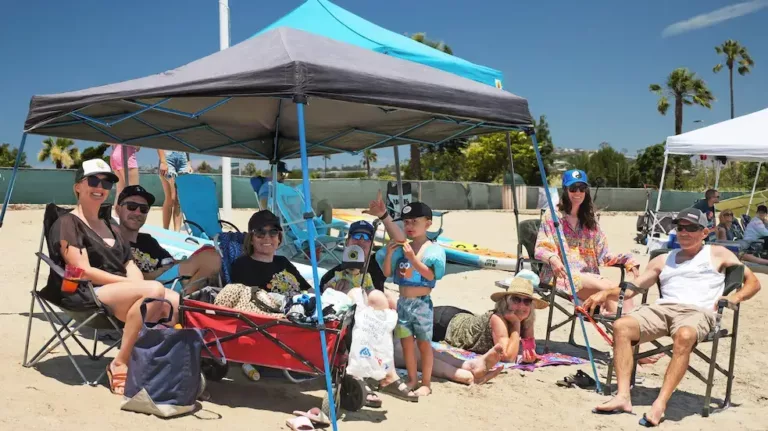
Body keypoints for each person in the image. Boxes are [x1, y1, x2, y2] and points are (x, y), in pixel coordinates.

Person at [585, 208, 761, 427]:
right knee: (622, 326)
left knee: (685, 335)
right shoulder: (663, 258)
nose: (684, 233)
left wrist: (735, 297)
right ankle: (622, 397)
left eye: (691, 228)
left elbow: (753, 282)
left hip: (698, 312)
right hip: (662, 310)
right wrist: (606, 292)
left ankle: (660, 403)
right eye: (680, 228)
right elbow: (633, 288)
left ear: (704, 232)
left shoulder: (718, 253)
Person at [46, 159, 179, 395]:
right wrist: (136, 285)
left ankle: (150, 362)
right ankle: (120, 363)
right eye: (94, 180)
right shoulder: (67, 223)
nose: (101, 186)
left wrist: (137, 283)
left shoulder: (110, 224)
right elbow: (83, 270)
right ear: (78, 186)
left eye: (106, 182)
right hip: (85, 292)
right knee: (155, 291)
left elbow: (127, 262)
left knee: (175, 300)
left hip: (118, 292)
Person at [394, 275, 546, 386]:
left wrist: (530, 355)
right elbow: (508, 357)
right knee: (402, 321)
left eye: (526, 301)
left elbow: (529, 349)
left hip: (463, 318)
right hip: (446, 324)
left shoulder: (528, 318)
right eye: (516, 299)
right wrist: (516, 326)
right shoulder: (498, 318)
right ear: (506, 301)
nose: (521, 306)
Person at [370, 193, 447, 397]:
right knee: (406, 344)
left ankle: (427, 383)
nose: (410, 225)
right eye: (406, 222)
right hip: (403, 303)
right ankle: (412, 379)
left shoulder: (432, 250)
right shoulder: (402, 248)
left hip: (421, 304)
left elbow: (431, 275)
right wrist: (388, 254)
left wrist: (413, 259)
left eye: (415, 221)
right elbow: (387, 273)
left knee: (423, 344)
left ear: (428, 224)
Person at [535, 169, 640, 314]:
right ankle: (623, 328)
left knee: (623, 292)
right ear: (565, 190)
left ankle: (627, 328)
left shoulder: (590, 220)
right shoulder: (552, 216)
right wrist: (553, 259)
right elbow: (541, 248)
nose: (577, 193)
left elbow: (604, 254)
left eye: (582, 188)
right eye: (573, 188)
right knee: (610, 291)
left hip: (590, 276)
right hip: (561, 276)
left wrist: (627, 259)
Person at [115, 185, 222, 294]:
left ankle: (188, 298)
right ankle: (186, 302)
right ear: (118, 209)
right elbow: (119, 277)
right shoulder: (113, 241)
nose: (138, 213)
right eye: (131, 207)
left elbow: (170, 261)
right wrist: (156, 274)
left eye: (143, 209)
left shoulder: (148, 241)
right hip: (148, 289)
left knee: (210, 252)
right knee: (211, 258)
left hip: (166, 282)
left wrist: (194, 257)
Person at [230, 209, 312, 295]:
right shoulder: (242, 265)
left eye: (273, 232)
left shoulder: (283, 262)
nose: (267, 237)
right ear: (251, 239)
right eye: (260, 232)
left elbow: (308, 289)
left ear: (279, 238)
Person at [319, 220, 397, 307]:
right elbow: (324, 295)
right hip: (348, 313)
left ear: (372, 245)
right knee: (355, 293)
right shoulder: (333, 275)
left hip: (374, 311)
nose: (361, 240)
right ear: (347, 242)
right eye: (357, 236)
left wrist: (384, 216)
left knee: (390, 298)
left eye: (366, 237)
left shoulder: (378, 263)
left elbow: (398, 242)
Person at [158, 150, 192, 231]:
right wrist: (163, 161)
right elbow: (159, 141)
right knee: (171, 198)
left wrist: (189, 163)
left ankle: (177, 232)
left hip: (183, 158)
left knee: (178, 199)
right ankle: (165, 230)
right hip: (168, 157)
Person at [109, 144, 139, 214]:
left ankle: (117, 218)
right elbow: (137, 147)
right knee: (134, 192)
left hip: (115, 156)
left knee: (120, 191)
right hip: (126, 156)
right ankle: (131, 218)